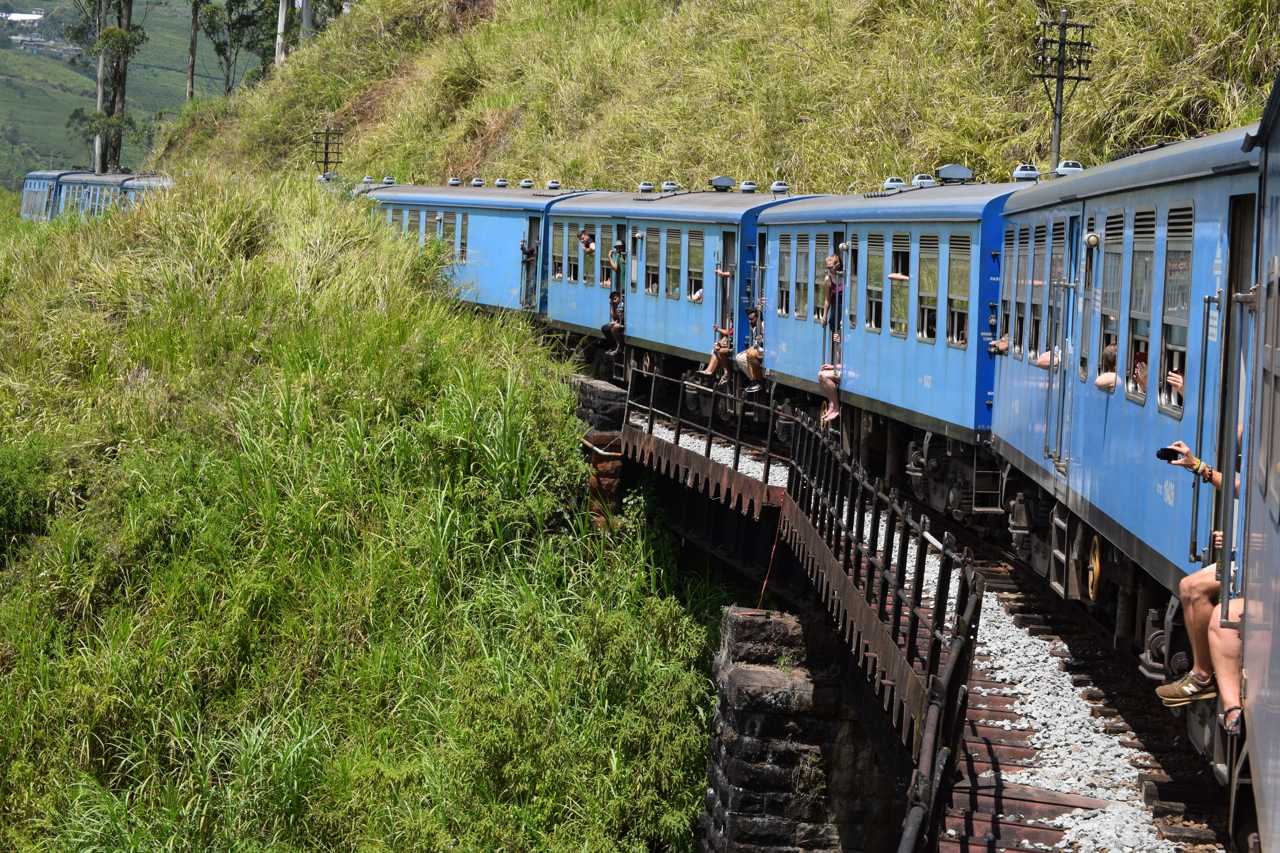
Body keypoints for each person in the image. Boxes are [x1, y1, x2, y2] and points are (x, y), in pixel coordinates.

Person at [1154, 430, 1244, 734]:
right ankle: (1201, 676)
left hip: (1264, 563)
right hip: (1252, 556)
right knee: (1191, 587)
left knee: (1220, 615)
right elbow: (1242, 486)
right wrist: (1200, 467)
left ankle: (1208, 679)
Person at [734, 304, 765, 392]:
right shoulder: (754, 327)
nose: (749, 321)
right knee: (739, 357)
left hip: (764, 349)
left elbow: (763, 341)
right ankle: (753, 379)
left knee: (750, 354)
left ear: (757, 317)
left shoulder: (762, 325)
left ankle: (758, 381)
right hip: (758, 348)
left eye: (751, 319)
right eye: (749, 319)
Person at [819, 253, 843, 327]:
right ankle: (835, 337)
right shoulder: (828, 279)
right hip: (836, 308)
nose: (829, 270)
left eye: (831, 267)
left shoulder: (845, 276)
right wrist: (825, 315)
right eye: (828, 268)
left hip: (845, 307)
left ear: (837, 265)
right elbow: (827, 299)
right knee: (834, 326)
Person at [602, 291, 625, 356]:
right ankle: (613, 346)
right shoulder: (615, 305)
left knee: (614, 329)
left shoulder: (622, 305)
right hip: (618, 322)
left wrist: (615, 323)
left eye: (615, 299)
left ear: (619, 298)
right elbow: (613, 316)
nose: (614, 301)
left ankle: (619, 347)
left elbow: (622, 318)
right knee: (605, 328)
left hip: (623, 323)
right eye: (613, 299)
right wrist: (611, 305)